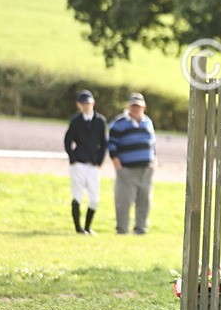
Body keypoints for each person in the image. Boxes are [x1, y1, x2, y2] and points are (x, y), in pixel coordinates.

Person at [108, 92, 156, 235]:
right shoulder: (119, 123)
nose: (136, 109)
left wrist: (154, 159)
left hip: (146, 170)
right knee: (123, 202)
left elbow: (152, 142)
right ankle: (122, 230)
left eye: (139, 106)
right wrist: (118, 166)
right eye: (133, 106)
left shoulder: (148, 122)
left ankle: (141, 229)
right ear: (129, 106)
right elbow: (111, 146)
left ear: (144, 107)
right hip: (126, 169)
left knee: (144, 201)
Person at [63, 89, 107, 234]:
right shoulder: (76, 121)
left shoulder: (100, 121)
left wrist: (99, 161)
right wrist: (73, 160)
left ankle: (88, 227)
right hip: (79, 163)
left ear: (93, 103)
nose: (86, 106)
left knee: (94, 199)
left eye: (88, 103)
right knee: (77, 196)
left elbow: (104, 143)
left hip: (93, 164)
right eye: (83, 103)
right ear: (79, 105)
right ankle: (78, 228)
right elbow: (68, 141)